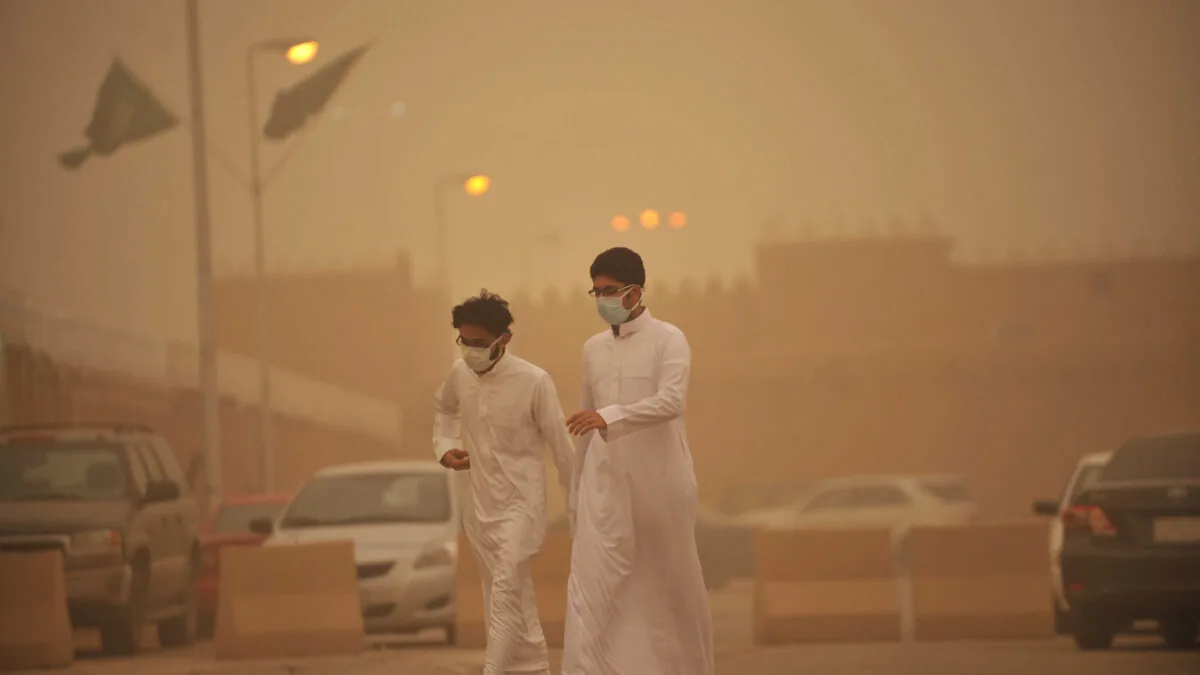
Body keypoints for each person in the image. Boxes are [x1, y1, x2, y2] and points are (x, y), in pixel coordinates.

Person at [561, 248, 714, 675]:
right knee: (596, 590)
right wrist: (575, 496)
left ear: (636, 292)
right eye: (596, 291)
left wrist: (610, 417)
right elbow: (583, 427)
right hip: (604, 489)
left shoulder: (669, 340)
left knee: (666, 592)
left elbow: (670, 402)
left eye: (610, 290)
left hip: (660, 487)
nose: (602, 299)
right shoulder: (592, 349)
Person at [432, 290, 575, 675]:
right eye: (464, 341)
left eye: (479, 343)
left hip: (522, 506)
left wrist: (579, 502)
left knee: (508, 589)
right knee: (503, 593)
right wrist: (445, 448)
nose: (470, 351)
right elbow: (444, 408)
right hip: (479, 508)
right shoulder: (459, 375)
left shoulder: (534, 381)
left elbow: (562, 449)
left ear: (503, 340)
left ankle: (492, 670)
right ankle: (535, 669)